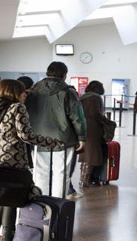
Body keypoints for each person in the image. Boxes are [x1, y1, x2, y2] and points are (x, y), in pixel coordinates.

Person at [0, 79, 62, 241]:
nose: (25, 95)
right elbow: (26, 135)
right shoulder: (17, 108)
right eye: (22, 92)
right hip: (14, 163)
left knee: (3, 199)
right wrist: (51, 142)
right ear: (14, 92)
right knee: (11, 200)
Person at [25, 61, 86, 198]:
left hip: (38, 139)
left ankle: (42, 205)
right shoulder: (68, 92)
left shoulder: (33, 91)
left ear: (48, 73)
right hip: (63, 139)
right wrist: (81, 137)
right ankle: (57, 205)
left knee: (40, 173)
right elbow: (77, 117)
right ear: (64, 75)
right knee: (61, 173)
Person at [78, 81, 107, 187]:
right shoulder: (95, 98)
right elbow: (96, 114)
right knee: (90, 156)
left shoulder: (83, 97)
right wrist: (105, 121)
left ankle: (84, 179)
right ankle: (84, 181)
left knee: (85, 154)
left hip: (83, 128)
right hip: (93, 128)